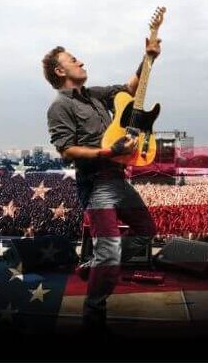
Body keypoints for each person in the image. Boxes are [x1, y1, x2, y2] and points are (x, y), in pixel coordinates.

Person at [42, 33, 161, 334]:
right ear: (60, 71)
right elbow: (66, 149)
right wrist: (107, 152)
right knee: (109, 253)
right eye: (73, 59)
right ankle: (93, 316)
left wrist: (148, 58)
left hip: (118, 180)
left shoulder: (95, 94)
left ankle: (96, 265)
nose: (81, 61)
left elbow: (130, 89)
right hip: (96, 184)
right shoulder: (59, 107)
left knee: (146, 230)